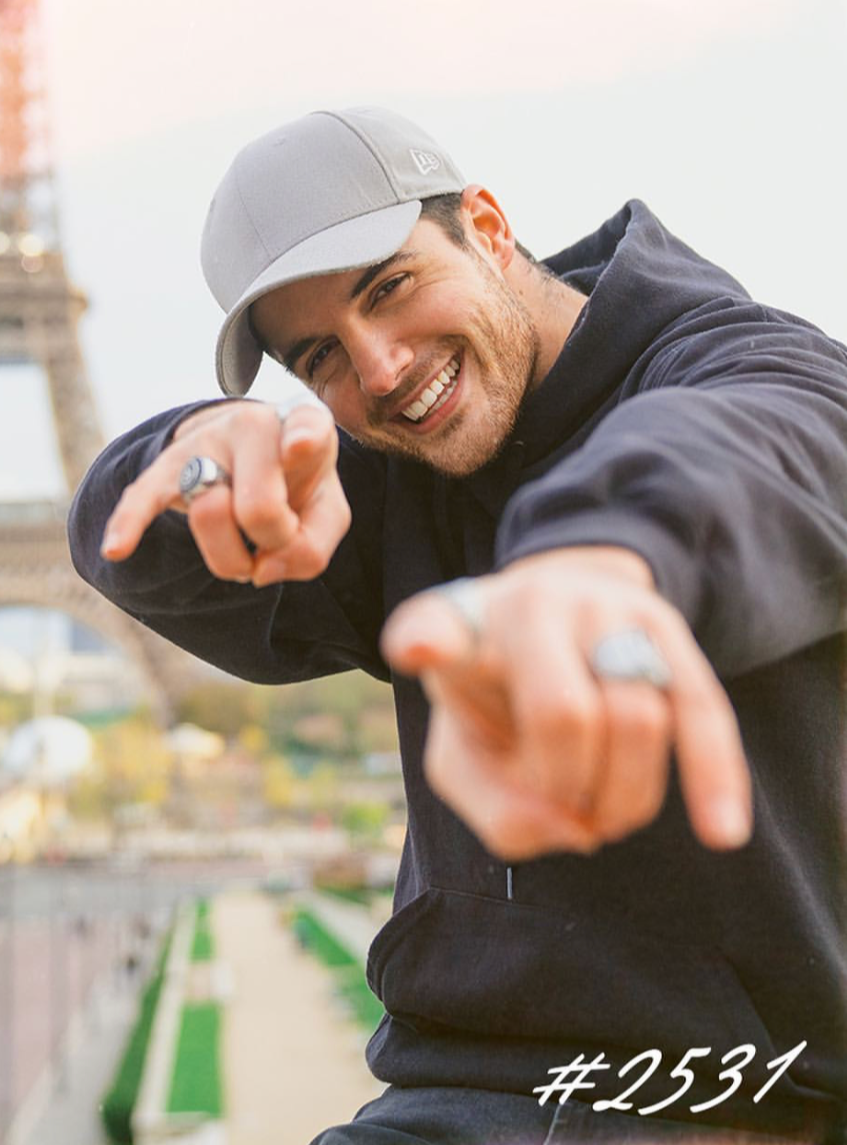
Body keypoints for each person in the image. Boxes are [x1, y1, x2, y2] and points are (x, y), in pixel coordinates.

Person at [68, 106, 847, 1144]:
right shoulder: (396, 467)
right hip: (469, 1098)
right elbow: (124, 545)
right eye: (319, 359)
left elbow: (746, 454)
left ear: (484, 224)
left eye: (388, 289)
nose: (380, 369)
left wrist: (598, 562)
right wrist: (196, 458)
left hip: (766, 1101)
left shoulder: (749, 367)